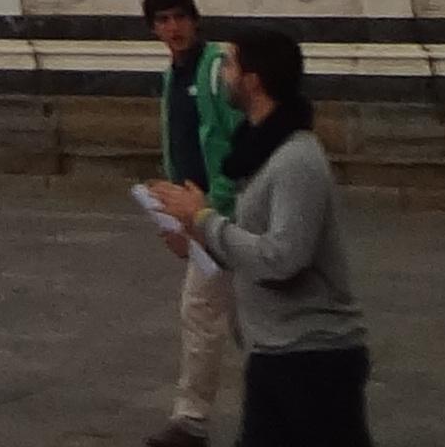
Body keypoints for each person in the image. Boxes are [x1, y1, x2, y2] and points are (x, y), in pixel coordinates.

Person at [144, 24, 365, 447]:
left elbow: (283, 258)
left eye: (229, 64)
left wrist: (206, 220)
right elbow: (250, 243)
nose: (221, 72)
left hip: (315, 358)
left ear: (253, 81)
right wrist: (196, 236)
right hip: (274, 352)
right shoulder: (260, 153)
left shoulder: (295, 159)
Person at [138, 0, 247, 447]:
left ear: (195, 19)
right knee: (234, 316)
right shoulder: (173, 74)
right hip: (198, 212)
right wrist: (175, 214)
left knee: (207, 311)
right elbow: (180, 147)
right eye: (163, 20)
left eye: (179, 17)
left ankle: (192, 420)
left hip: (230, 213)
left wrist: (210, 207)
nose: (173, 27)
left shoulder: (215, 70)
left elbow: (238, 143)